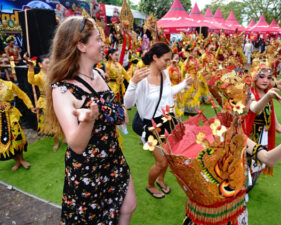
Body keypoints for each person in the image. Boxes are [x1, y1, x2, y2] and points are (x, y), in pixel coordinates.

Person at [154, 68, 281, 225]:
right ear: (229, 102)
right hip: (212, 216)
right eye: (243, 99)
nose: (247, 104)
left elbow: (269, 159)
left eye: (246, 98)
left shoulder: (234, 134)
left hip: (223, 211)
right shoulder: (208, 133)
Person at [46, 16, 136, 224]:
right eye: (98, 39)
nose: (104, 44)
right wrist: (87, 121)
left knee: (129, 206)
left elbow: (123, 116)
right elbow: (76, 145)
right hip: (88, 170)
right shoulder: (62, 90)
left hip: (114, 158)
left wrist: (108, 110)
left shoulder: (99, 74)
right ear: (81, 46)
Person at [124, 42, 193, 199]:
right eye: (166, 60)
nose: (169, 63)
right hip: (150, 125)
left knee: (168, 156)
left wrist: (184, 84)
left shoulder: (165, 74)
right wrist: (133, 83)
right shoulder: (141, 78)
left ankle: (161, 179)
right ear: (155, 57)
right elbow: (127, 104)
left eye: (170, 60)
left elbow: (167, 93)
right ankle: (150, 185)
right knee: (161, 162)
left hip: (168, 120)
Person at [26, 54, 60, 151]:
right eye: (47, 63)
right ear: (40, 65)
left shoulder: (54, 73)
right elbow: (31, 80)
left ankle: (65, 137)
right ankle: (57, 142)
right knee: (51, 123)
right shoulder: (39, 76)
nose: (49, 65)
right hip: (46, 102)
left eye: (50, 62)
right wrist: (31, 68)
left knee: (62, 119)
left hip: (58, 98)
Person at [0, 78, 35, 170]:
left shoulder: (9, 84)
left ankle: (22, 160)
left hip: (11, 115)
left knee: (16, 137)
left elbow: (22, 95)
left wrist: (30, 106)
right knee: (5, 141)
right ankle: (17, 161)